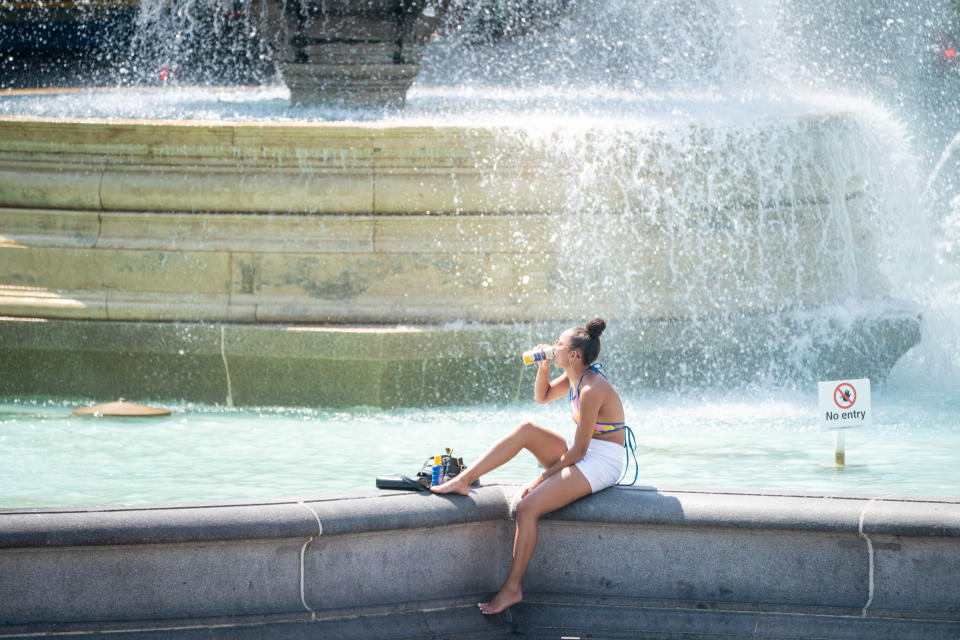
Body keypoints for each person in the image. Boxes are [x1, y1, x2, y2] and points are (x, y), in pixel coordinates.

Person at [431, 316, 636, 615]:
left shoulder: (592, 388)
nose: (553, 347)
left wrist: (541, 480)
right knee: (527, 428)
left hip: (601, 461)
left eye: (559, 345)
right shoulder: (574, 376)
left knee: (527, 507)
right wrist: (543, 367)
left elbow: (578, 452)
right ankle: (464, 478)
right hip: (585, 453)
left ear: (574, 354)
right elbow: (542, 397)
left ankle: (512, 589)